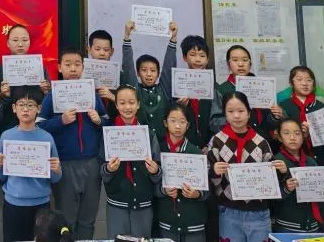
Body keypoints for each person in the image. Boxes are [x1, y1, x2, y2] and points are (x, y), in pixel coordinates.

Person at [39, 49, 106, 240]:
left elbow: (108, 125)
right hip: (65, 164)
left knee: (88, 219)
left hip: (92, 163)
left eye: (77, 64)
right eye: (68, 64)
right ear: (59, 67)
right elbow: (39, 126)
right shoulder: (53, 95)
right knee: (66, 220)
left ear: (83, 68)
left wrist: (99, 121)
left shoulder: (92, 94)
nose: (73, 69)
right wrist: (61, 121)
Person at [207, 91, 276, 242]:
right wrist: (214, 171)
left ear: (249, 113)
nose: (236, 116)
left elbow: (271, 179)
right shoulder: (216, 141)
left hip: (258, 212)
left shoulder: (261, 142)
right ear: (225, 114)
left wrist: (278, 170)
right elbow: (209, 179)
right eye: (230, 111)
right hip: (229, 211)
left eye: (241, 111)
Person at [0, 87, 61, 242]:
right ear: (14, 108)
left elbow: (55, 179)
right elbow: (1, 176)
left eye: (30, 105)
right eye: (21, 105)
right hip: (13, 204)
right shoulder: (6, 136)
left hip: (41, 205)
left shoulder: (46, 138)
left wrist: (56, 170)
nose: (25, 109)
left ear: (39, 108)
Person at [100, 85, 162, 239]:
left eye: (131, 102)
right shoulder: (109, 134)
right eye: (122, 103)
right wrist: (109, 169)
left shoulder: (148, 134)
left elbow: (159, 171)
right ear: (116, 105)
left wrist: (155, 170)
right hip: (117, 203)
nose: (127, 107)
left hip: (143, 203)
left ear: (138, 104)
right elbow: (102, 170)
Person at [271, 118, 324, 233]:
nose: (292, 137)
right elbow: (271, 197)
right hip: (288, 225)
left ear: (303, 136)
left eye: (297, 133)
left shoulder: (310, 161)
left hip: (312, 224)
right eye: (286, 133)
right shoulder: (277, 161)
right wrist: (287, 188)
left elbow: (317, 191)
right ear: (279, 137)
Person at [156, 104, 208, 242]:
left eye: (182, 121)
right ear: (165, 123)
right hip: (167, 221)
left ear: (188, 125)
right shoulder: (158, 150)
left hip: (193, 221)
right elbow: (151, 184)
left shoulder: (196, 153)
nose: (178, 126)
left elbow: (207, 191)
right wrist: (164, 190)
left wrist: (197, 193)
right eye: (173, 121)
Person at [121, 21, 179, 138]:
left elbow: (169, 67)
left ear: (158, 74)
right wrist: (127, 37)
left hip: (163, 143)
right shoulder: (134, 91)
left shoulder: (164, 90)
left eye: (153, 70)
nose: (148, 74)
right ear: (138, 73)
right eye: (144, 70)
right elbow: (128, 68)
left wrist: (173, 39)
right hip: (139, 142)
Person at [209, 45, 283, 137]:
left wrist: (275, 117)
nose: (241, 64)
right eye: (235, 60)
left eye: (245, 60)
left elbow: (269, 124)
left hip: (261, 139)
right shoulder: (221, 90)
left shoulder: (262, 87)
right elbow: (214, 123)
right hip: (233, 141)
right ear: (228, 65)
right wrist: (235, 118)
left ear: (250, 64)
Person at [279, 67, 324, 170]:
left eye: (309, 80)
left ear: (313, 84)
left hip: (321, 158)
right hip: (292, 160)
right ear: (291, 83)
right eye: (299, 79)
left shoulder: (323, 107)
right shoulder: (283, 106)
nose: (305, 83)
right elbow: (279, 134)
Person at [175, 35, 213, 147]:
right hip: (185, 146)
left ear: (208, 58)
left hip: (211, 146)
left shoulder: (214, 87)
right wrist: (179, 107)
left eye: (202, 55)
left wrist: (211, 145)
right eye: (192, 54)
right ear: (184, 57)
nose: (198, 59)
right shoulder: (178, 86)